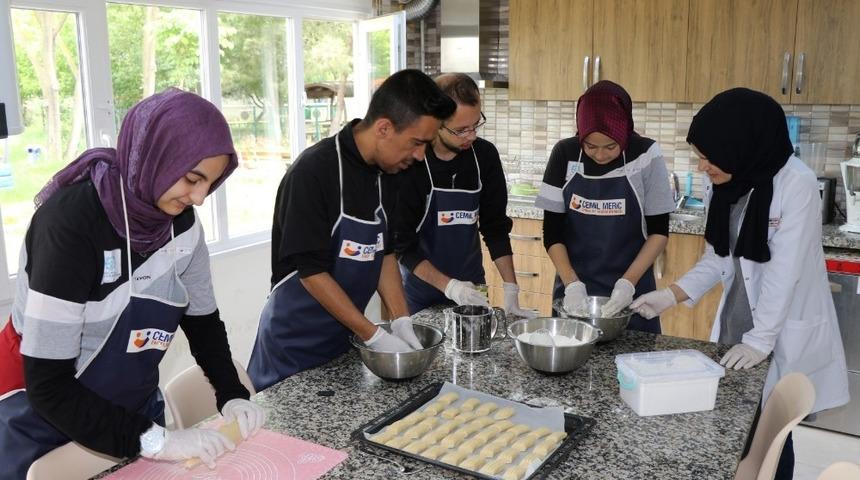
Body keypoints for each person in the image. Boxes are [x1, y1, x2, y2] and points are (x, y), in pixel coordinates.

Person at [0, 88, 266, 480]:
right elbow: (49, 386)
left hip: (132, 411)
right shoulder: (72, 225)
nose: (199, 198)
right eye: (192, 179)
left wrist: (231, 394)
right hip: (43, 413)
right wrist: (158, 441)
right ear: (158, 156)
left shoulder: (182, 225)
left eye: (209, 184)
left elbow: (203, 322)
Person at [631, 88, 849, 479]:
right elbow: (718, 257)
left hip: (776, 329)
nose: (702, 167)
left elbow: (785, 273)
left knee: (772, 429)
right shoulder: (726, 184)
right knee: (740, 420)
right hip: (737, 322)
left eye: (708, 157)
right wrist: (669, 296)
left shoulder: (795, 183)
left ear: (739, 146)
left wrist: (760, 341)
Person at [248, 69, 457, 391]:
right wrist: (373, 335)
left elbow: (384, 253)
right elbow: (312, 272)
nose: (419, 156)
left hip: (344, 341)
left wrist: (401, 320)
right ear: (384, 127)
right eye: (416, 143)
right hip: (291, 349)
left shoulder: (393, 172)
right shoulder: (314, 172)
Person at [391, 73, 538, 317]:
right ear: (436, 123)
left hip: (472, 289)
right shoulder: (413, 163)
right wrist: (450, 287)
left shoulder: (484, 156)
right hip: (419, 294)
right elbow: (402, 246)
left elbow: (495, 227)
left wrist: (511, 288)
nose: (471, 135)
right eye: (461, 130)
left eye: (476, 125)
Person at [535, 80, 674, 332]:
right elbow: (552, 232)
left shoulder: (645, 154)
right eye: (590, 146)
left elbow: (659, 231)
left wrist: (627, 285)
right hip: (574, 289)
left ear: (624, 133)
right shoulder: (564, 153)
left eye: (610, 146)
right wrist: (572, 285)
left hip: (633, 292)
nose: (600, 155)